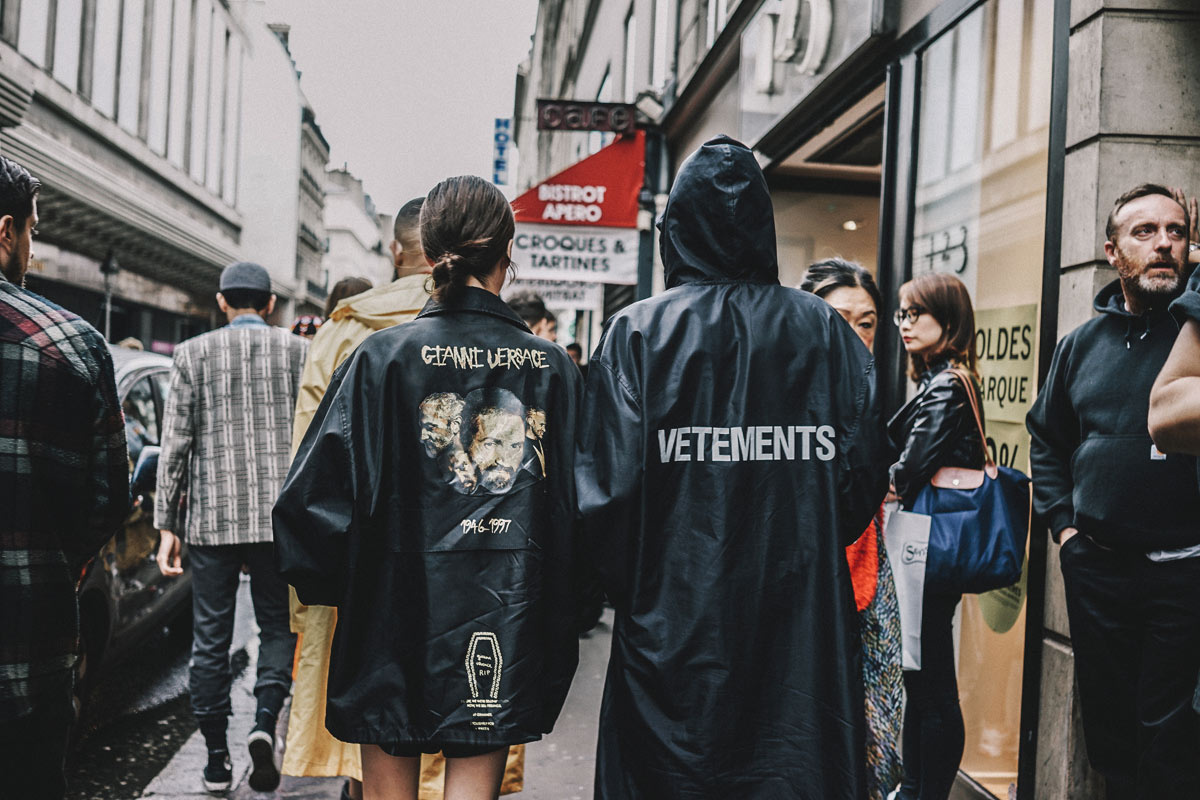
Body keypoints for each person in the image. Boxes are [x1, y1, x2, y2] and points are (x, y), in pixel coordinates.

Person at [575, 136, 889, 799]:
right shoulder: (826, 333)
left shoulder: (637, 334)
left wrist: (641, 587)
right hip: (797, 620)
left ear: (676, 230)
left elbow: (605, 496)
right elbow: (862, 475)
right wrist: (802, 538)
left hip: (672, 620)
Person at [274, 175, 581, 800]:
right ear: (507, 251)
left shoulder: (378, 359)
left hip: (389, 609)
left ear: (423, 249)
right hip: (508, 612)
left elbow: (310, 504)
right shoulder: (551, 368)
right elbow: (585, 506)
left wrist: (346, 585)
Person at [1027, 184, 1200, 799]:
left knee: (1172, 741)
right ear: (1112, 252)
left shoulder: (1195, 337)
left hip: (1184, 576)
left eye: (1176, 232)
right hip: (1098, 571)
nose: (1163, 245)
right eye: (1144, 232)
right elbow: (1046, 440)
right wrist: (1066, 533)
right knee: (1110, 732)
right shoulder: (1079, 345)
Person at [0, 155, 128, 800]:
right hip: (25, 649)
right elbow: (108, 501)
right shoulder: (70, 344)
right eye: (32, 230)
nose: (31, 245)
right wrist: (50, 560)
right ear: (5, 233)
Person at [154, 261, 308, 794]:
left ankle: (217, 758)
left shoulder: (192, 354)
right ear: (269, 305)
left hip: (212, 517)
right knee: (277, 627)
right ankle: (265, 723)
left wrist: (167, 523)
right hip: (277, 518)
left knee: (210, 637)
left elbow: (176, 446)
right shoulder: (297, 351)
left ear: (222, 302)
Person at [800, 257, 903, 800]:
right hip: (802, 587)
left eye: (867, 322)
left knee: (869, 730)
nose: (857, 334)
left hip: (864, 575)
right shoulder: (780, 388)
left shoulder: (868, 389)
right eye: (842, 318)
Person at [887, 271, 984, 800]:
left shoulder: (947, 385)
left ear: (948, 319)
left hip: (930, 547)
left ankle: (926, 791)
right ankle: (917, 786)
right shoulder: (938, 381)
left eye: (914, 313)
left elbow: (908, 470)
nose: (904, 323)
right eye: (901, 313)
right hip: (926, 546)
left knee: (931, 685)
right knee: (922, 679)